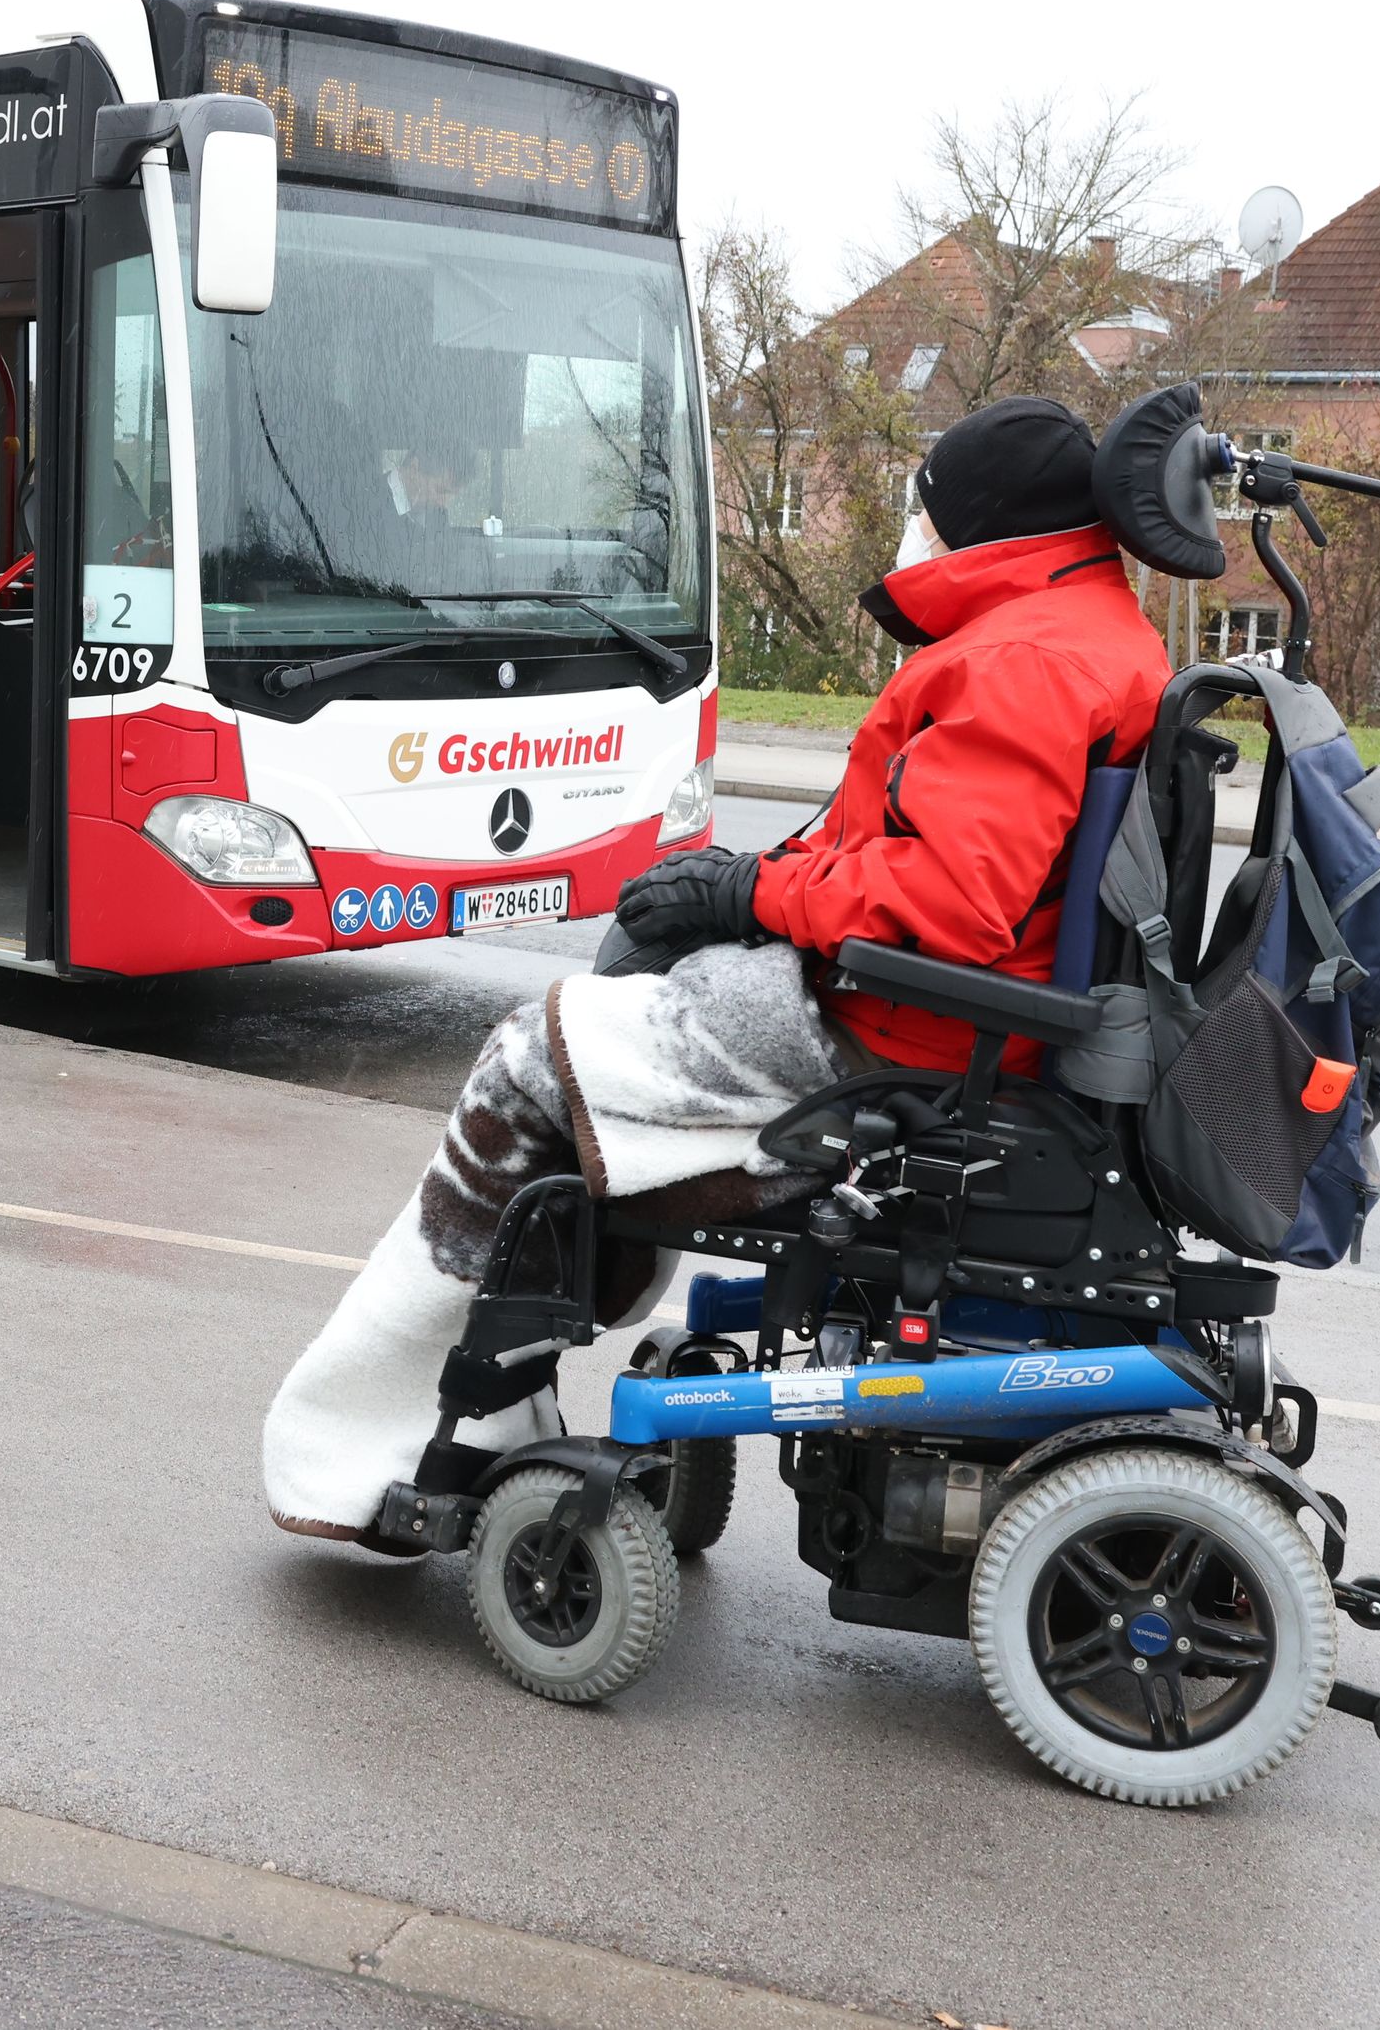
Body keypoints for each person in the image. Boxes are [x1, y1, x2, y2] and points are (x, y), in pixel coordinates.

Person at [261, 395, 1180, 1540]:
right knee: (604, 1027)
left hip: (902, 1034)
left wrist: (750, 895)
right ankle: (520, 1362)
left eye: (927, 511)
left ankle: (389, 1436)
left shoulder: (1020, 661)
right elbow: (912, 848)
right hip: (954, 1019)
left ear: (981, 528)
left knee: (530, 1056)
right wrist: (754, 882)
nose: (916, 534)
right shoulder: (1089, 628)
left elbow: (946, 906)